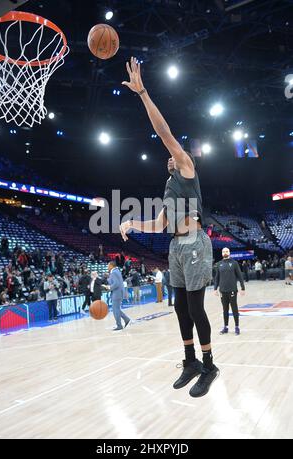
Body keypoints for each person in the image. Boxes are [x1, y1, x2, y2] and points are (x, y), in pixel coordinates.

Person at [120, 58, 218, 398]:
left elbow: (164, 132)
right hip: (176, 246)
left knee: (195, 307)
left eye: (173, 153)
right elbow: (161, 224)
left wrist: (143, 92)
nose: (169, 156)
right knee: (179, 307)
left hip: (194, 243)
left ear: (181, 156)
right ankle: (190, 360)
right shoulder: (169, 188)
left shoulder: (188, 169)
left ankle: (209, 364)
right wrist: (133, 223)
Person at [214, 248, 245, 336]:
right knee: (225, 310)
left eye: (227, 251)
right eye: (223, 251)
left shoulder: (234, 263)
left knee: (234, 309)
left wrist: (242, 288)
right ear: (221, 253)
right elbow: (217, 277)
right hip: (222, 291)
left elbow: (240, 276)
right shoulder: (219, 264)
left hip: (232, 290)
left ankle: (237, 327)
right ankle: (226, 327)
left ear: (229, 253)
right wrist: (215, 289)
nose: (225, 253)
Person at [106, 261, 131, 331]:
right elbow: (115, 282)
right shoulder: (117, 271)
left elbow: (116, 284)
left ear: (111, 266)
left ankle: (119, 325)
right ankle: (126, 319)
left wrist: (108, 287)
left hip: (117, 293)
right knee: (117, 309)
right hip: (119, 292)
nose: (107, 267)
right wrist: (108, 278)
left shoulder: (114, 272)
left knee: (115, 310)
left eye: (108, 265)